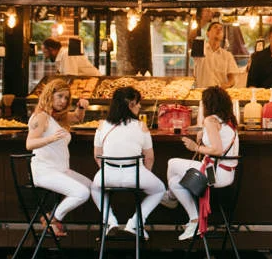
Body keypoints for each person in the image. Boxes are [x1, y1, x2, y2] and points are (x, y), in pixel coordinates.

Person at [91, 87, 166, 237]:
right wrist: (145, 175)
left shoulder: (102, 125)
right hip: (135, 176)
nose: (139, 106)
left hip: (107, 175)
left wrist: (105, 169)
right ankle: (136, 223)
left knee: (94, 188)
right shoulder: (141, 126)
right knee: (160, 190)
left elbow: (97, 155)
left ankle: (110, 221)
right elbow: (149, 157)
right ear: (130, 103)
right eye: (138, 103)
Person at [168, 86, 240, 240]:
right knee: (174, 182)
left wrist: (196, 147)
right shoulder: (228, 121)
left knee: (172, 162)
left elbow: (218, 150)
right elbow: (219, 144)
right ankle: (194, 221)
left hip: (214, 175)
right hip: (226, 175)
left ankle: (170, 198)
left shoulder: (210, 120)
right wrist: (203, 135)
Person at [25, 80, 93, 237]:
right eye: (60, 96)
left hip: (60, 170)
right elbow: (29, 144)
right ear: (50, 95)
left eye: (66, 98)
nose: (63, 101)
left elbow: (77, 118)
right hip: (44, 172)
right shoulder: (41, 117)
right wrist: (51, 139)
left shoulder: (57, 117)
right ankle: (52, 219)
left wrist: (81, 107)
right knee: (81, 193)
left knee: (92, 187)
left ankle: (109, 222)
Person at [192, 22, 243, 89]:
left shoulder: (227, 55)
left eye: (221, 29)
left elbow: (232, 80)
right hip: (202, 93)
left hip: (220, 94)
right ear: (207, 33)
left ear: (222, 36)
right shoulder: (200, 49)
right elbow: (191, 39)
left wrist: (226, 85)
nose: (218, 29)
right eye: (215, 27)